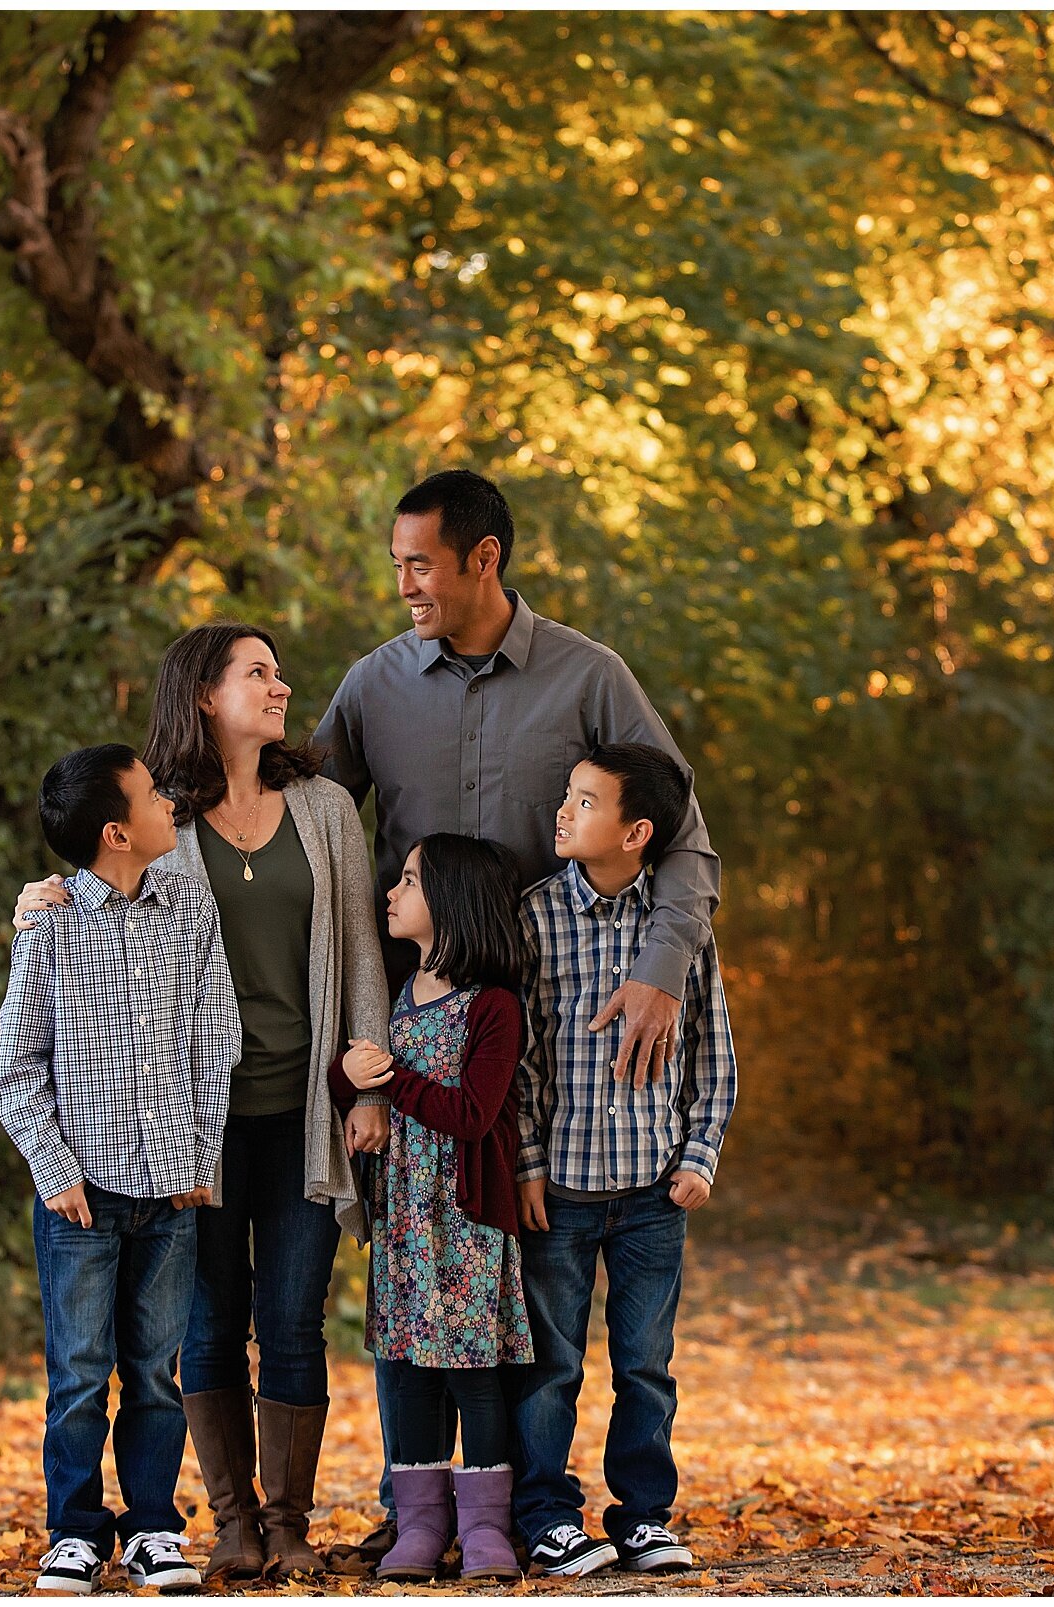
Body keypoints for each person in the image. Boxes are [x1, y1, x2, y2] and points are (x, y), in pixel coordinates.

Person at [307, 467, 723, 1573]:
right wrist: (111, 870)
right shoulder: (371, 685)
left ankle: (527, 1508)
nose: (403, 581)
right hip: (415, 1037)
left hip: (544, 1044)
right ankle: (424, 1509)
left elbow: (680, 830)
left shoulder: (592, 678)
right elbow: (291, 812)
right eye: (395, 559)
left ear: (481, 558)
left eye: (420, 561)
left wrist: (665, 966)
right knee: (412, 1274)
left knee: (520, 1299)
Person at [8, 625, 390, 1582]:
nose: (279, 683)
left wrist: (366, 1080)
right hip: (192, 1128)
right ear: (204, 695)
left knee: (295, 1318)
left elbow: (360, 953)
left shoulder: (327, 808)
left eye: (276, 670)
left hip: (304, 1104)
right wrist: (42, 893)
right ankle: (228, 1518)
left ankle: (290, 1519)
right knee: (208, 1325)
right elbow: (108, 894)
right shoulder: (160, 820)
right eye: (255, 671)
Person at [0, 744, 239, 1596]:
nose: (168, 800)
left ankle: (154, 1529)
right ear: (115, 832)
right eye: (150, 794)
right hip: (81, 1199)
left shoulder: (189, 911)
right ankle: (74, 1529)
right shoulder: (50, 926)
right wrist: (53, 1168)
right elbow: (16, 1068)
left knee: (153, 1373)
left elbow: (216, 1039)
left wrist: (200, 1152)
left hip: (171, 1188)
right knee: (79, 1374)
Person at [508, 744, 739, 1578]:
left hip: (651, 1191)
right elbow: (522, 1061)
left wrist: (700, 1155)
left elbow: (713, 1055)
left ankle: (642, 1515)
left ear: (637, 832)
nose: (563, 812)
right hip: (560, 1192)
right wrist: (528, 1163)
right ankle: (545, 1512)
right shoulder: (533, 919)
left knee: (645, 1362)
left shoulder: (679, 935)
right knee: (551, 1362)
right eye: (567, 795)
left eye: (585, 801)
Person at [328, 834, 533, 1582]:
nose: (392, 891)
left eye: (409, 880)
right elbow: (355, 1080)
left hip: (467, 1223)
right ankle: (418, 1526)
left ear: (450, 901)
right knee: (411, 1370)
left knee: (474, 1373)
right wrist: (354, 1082)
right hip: (405, 1219)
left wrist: (389, 1079)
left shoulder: (494, 1007)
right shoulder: (390, 991)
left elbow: (476, 1113)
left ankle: (485, 1529)